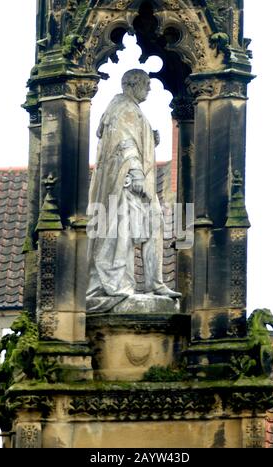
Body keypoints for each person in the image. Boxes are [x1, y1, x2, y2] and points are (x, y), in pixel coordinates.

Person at [86, 69, 181, 313]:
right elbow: (124, 142)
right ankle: (120, 283)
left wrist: (151, 137)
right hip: (127, 184)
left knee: (152, 224)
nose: (149, 89)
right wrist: (137, 173)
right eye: (146, 84)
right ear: (133, 84)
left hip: (133, 182)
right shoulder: (123, 107)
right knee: (122, 232)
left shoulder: (128, 108)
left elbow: (130, 138)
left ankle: (154, 283)